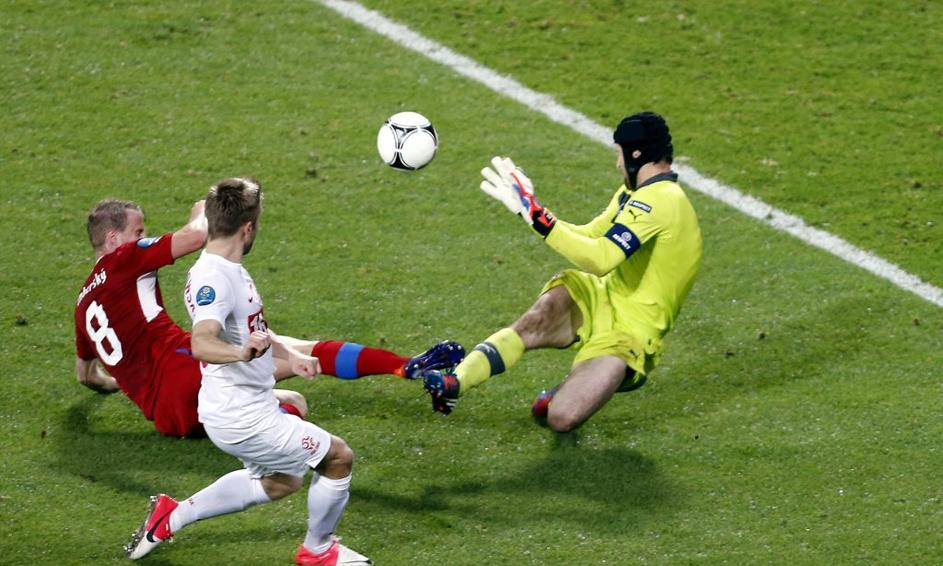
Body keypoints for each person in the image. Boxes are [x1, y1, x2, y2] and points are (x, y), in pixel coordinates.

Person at [125, 178, 371, 564]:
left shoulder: (228, 268)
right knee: (338, 457)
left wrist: (291, 354)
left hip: (238, 405)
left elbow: (254, 328)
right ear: (248, 227)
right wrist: (241, 353)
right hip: (243, 416)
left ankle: (171, 515)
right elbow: (201, 342)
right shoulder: (215, 279)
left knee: (282, 481)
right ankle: (318, 551)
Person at [75, 198, 463, 437]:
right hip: (189, 371)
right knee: (297, 369)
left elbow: (87, 376)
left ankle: (401, 368)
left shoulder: (82, 305)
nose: (144, 236)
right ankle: (400, 369)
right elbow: (197, 234)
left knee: (284, 349)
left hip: (168, 417)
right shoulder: (124, 258)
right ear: (113, 239)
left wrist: (124, 383)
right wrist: (203, 205)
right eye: (138, 230)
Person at [422, 111, 702, 433]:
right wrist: (532, 211)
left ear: (636, 154)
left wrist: (538, 218)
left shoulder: (662, 202)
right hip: (600, 296)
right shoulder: (634, 194)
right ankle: (456, 382)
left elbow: (601, 259)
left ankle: (566, 391)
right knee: (534, 321)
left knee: (561, 418)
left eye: (619, 154)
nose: (617, 164)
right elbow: (592, 235)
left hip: (630, 336)